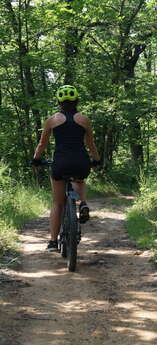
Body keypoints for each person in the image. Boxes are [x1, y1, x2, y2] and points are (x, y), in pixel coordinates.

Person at [32, 85, 100, 252]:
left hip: (60, 162)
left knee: (57, 203)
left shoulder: (52, 120)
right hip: (80, 161)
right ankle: (82, 203)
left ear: (59, 102)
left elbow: (42, 144)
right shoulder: (84, 119)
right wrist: (97, 159)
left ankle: (53, 242)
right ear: (77, 101)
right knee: (79, 178)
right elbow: (90, 144)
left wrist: (36, 159)